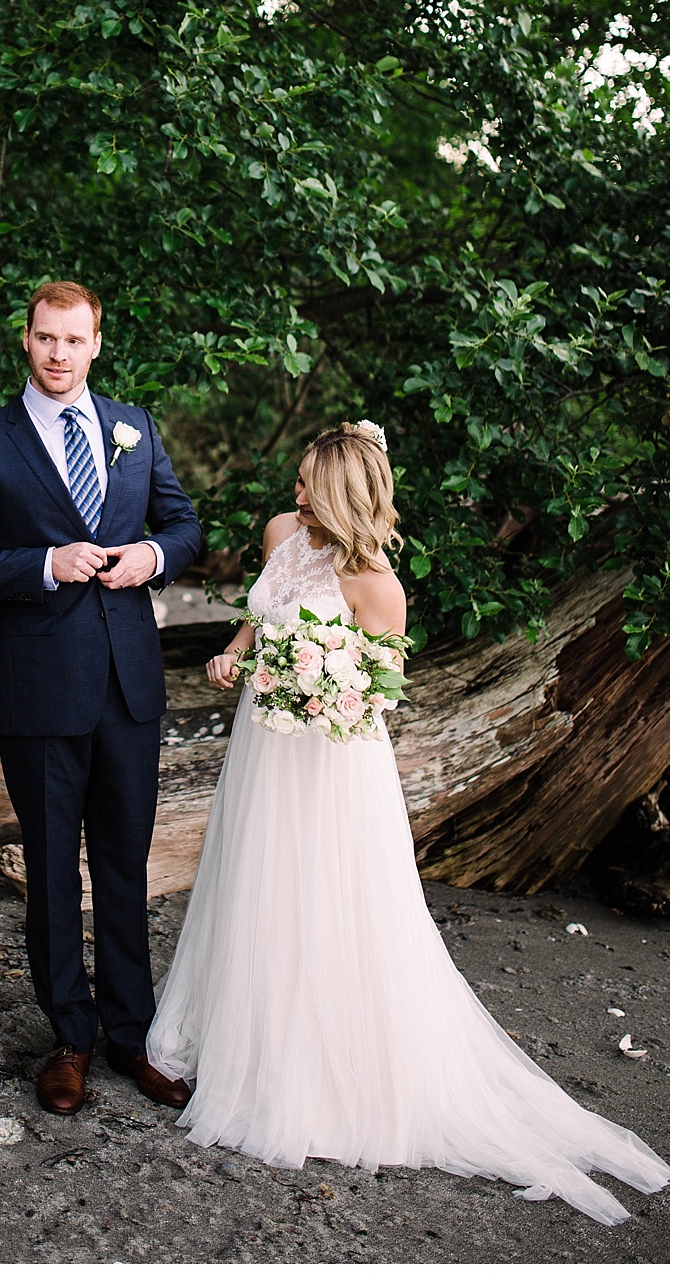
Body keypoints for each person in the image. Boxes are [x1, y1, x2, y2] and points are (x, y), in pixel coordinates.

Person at [145, 421, 669, 1225]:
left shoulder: (376, 585)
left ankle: (317, 1074)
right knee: (256, 884)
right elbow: (266, 608)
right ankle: (246, 1039)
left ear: (347, 496)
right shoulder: (283, 534)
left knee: (329, 901)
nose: (292, 496)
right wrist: (235, 654)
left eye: (308, 485)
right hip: (263, 748)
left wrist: (317, 687)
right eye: (295, 482)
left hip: (327, 764)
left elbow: (379, 690)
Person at [0, 280, 203, 1117]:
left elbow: (184, 524)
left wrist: (154, 557)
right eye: (45, 339)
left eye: (73, 341)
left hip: (129, 686)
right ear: (27, 340)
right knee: (50, 871)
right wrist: (44, 565)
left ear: (95, 343)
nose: (58, 354)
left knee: (125, 866)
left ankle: (132, 1035)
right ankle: (70, 1038)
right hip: (40, 689)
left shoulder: (134, 427)